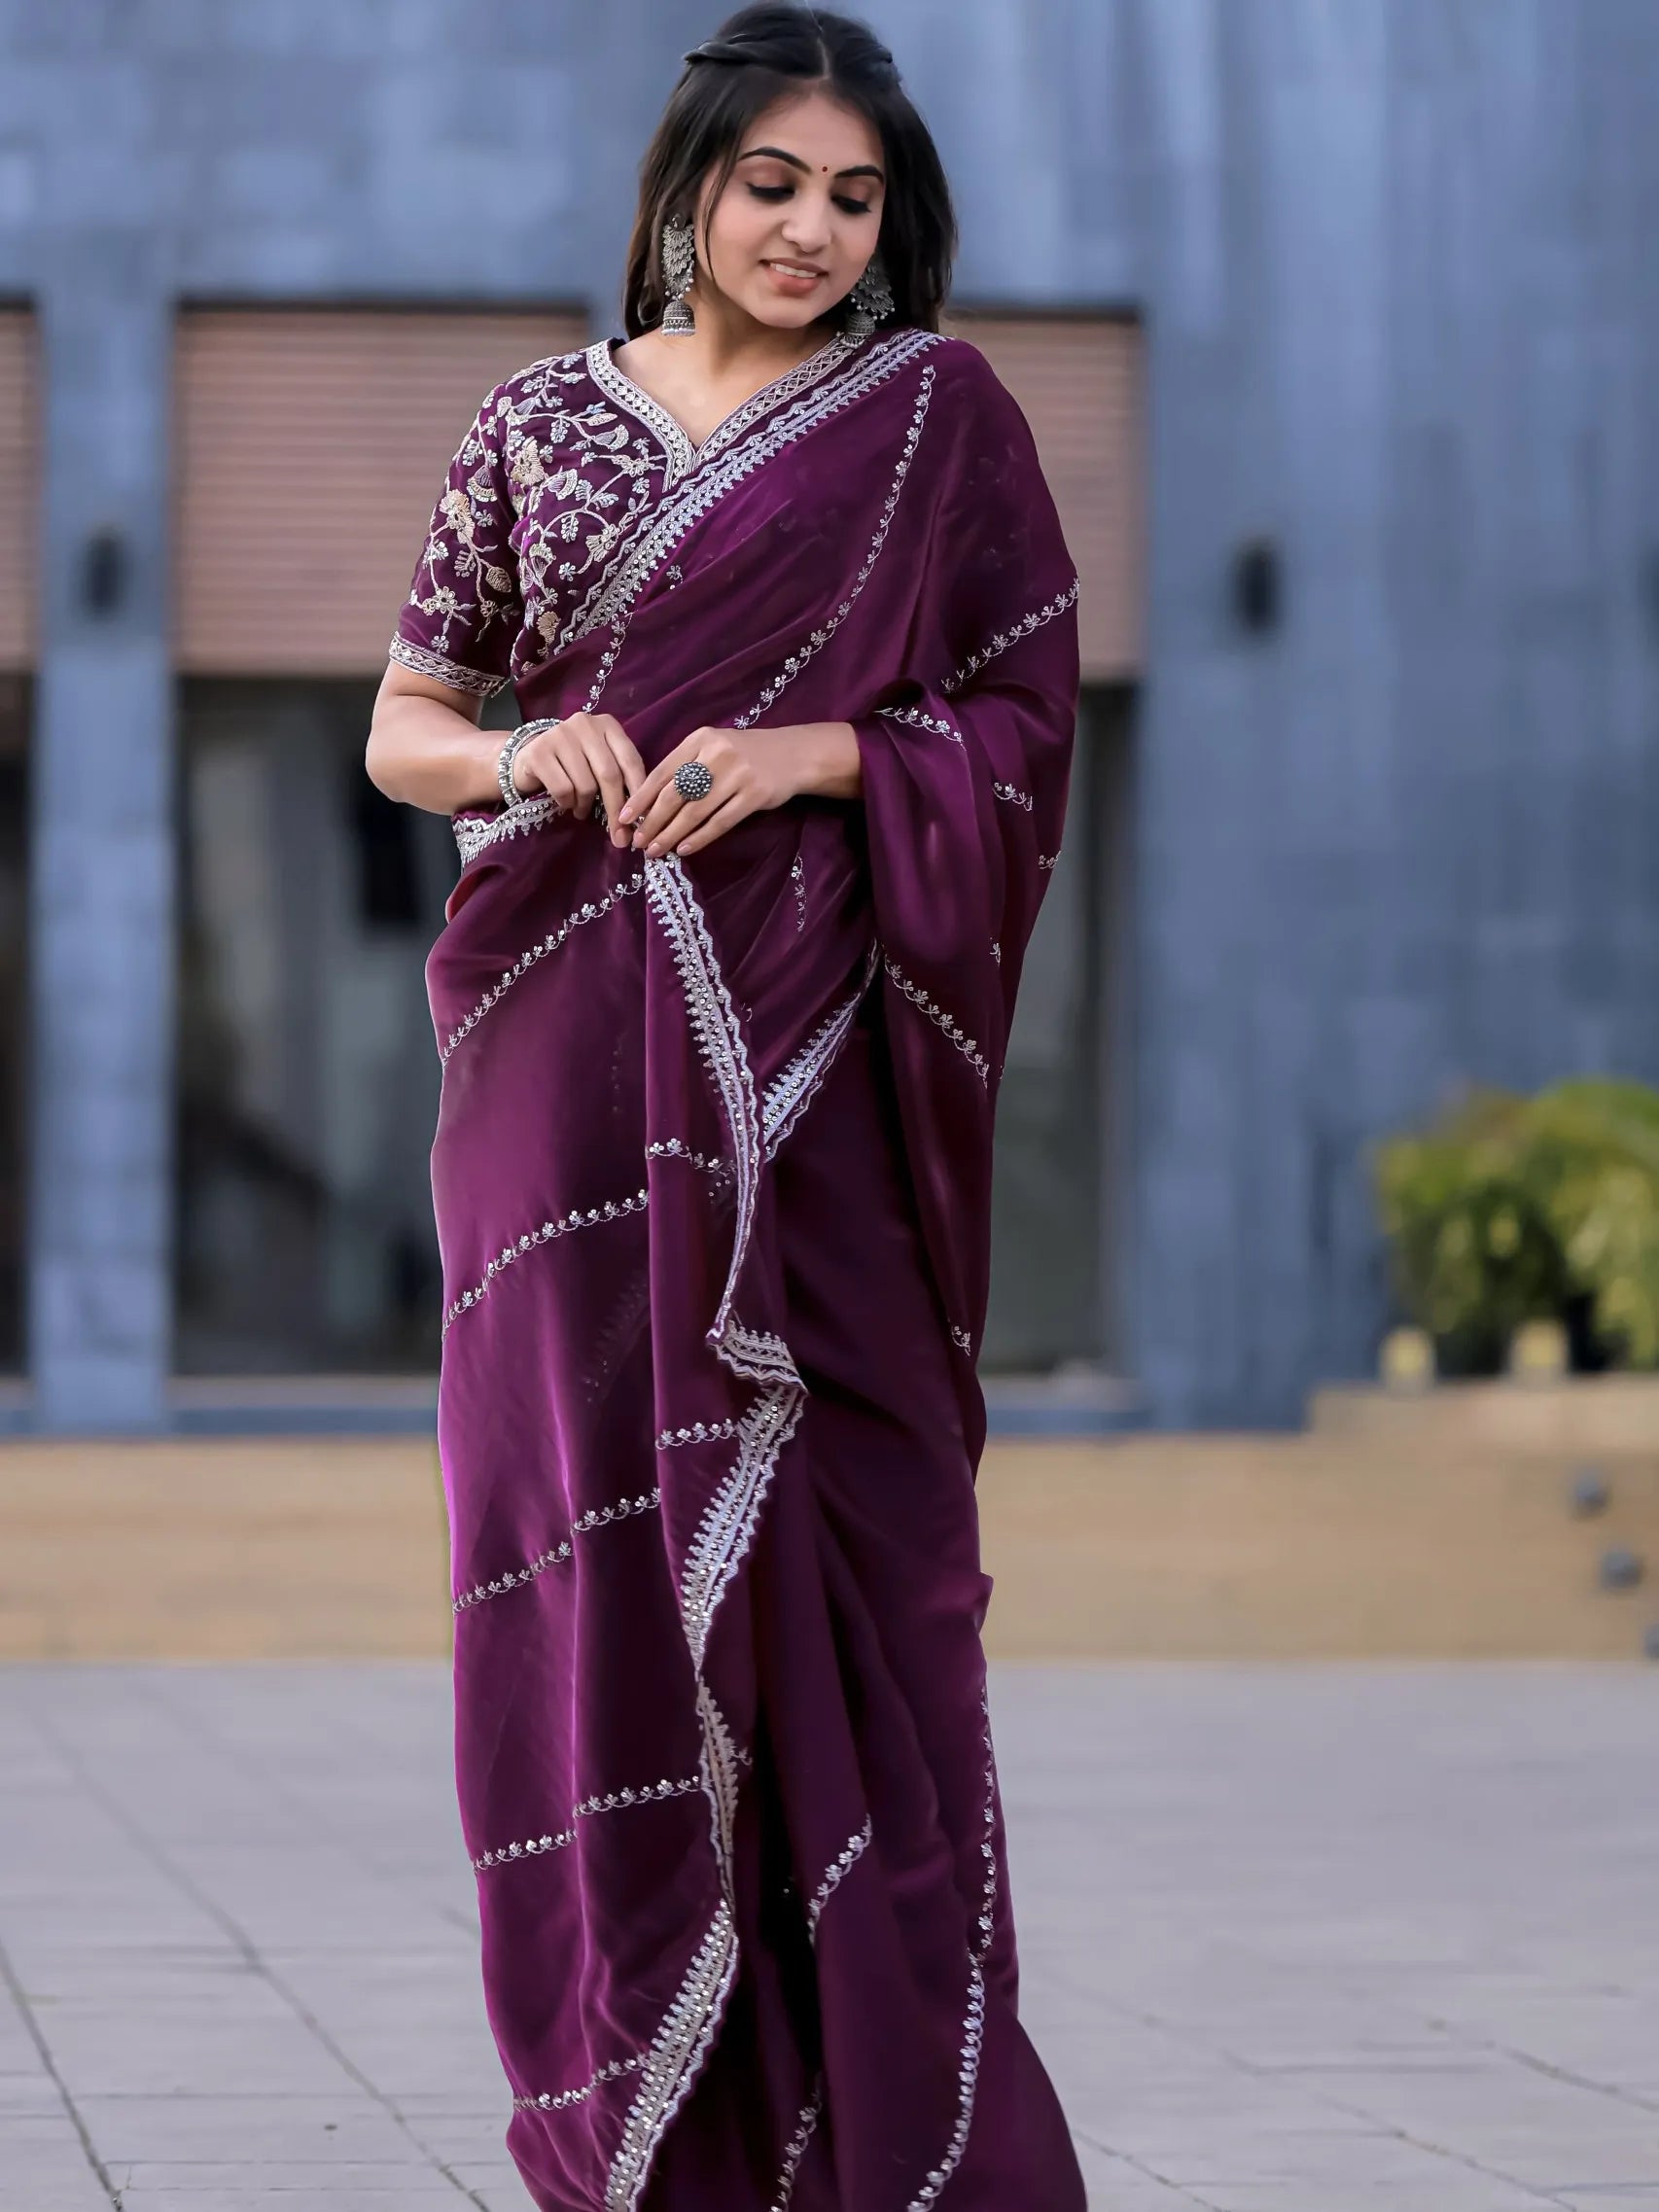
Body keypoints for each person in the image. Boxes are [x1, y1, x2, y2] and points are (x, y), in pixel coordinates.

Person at [366, 8, 1084, 2206]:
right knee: (580, 1560)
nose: (808, 228)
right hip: (564, 1065)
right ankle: (637, 2123)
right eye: (770, 182)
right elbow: (408, 720)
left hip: (813, 1073)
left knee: (846, 1563)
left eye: (853, 196)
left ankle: (882, 2130)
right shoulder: (529, 426)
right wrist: (524, 756)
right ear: (687, 185)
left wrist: (822, 757)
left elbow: (1024, 718)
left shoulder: (931, 421)